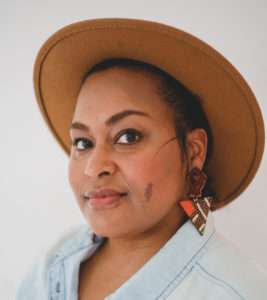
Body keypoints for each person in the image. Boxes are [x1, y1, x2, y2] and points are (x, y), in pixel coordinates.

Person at [17, 18, 267, 300]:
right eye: (83, 142)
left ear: (194, 150)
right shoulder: (52, 262)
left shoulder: (237, 292)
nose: (94, 167)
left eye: (128, 137)